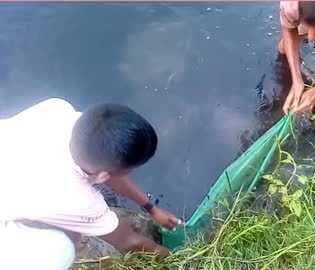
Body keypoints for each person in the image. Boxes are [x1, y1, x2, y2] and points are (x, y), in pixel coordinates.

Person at [0, 98, 183, 269]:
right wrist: (183, 261)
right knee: (63, 249)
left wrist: (151, 207)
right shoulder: (76, 199)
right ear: (103, 176)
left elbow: (107, 167)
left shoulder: (57, 110)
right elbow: (127, 241)